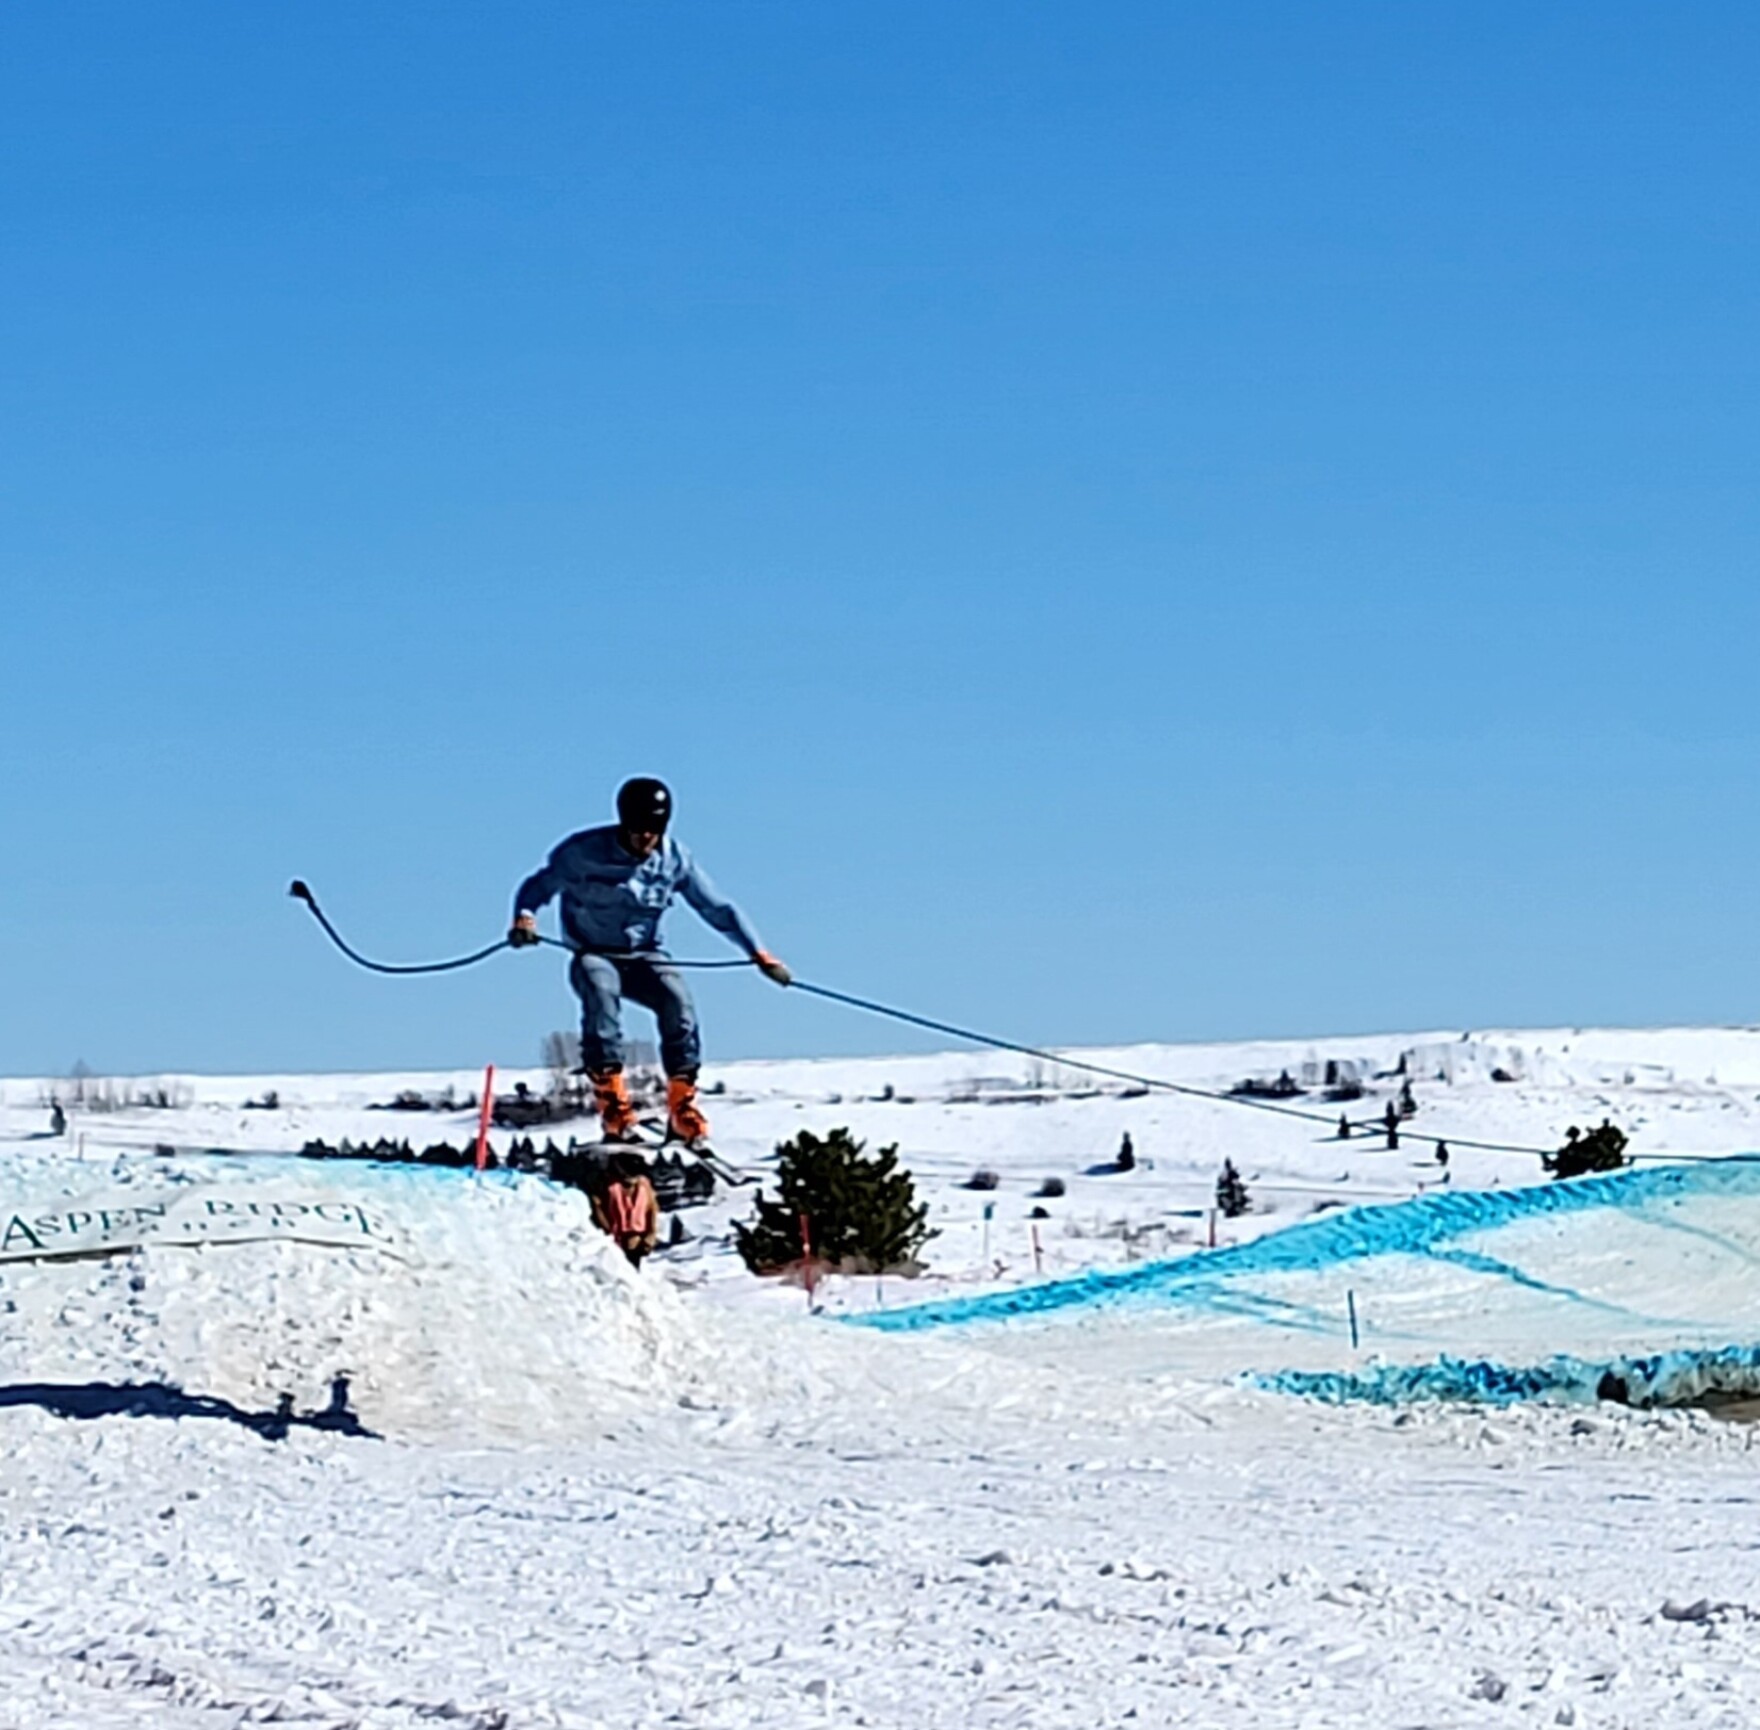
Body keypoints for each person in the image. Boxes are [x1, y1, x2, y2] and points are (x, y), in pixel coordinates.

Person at [509, 776, 790, 1147]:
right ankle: (613, 1107)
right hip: (595, 953)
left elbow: (716, 907)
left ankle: (682, 1108)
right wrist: (524, 917)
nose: (646, 839)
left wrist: (758, 953)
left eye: (654, 831)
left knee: (678, 1002)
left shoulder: (675, 859)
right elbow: (537, 887)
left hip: (645, 956)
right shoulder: (580, 853)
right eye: (638, 830)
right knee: (599, 994)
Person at [590, 1151, 661, 1268]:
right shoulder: (612, 1185)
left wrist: (651, 1232)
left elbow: (652, 1207)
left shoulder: (642, 1183)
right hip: (619, 1235)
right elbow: (597, 1205)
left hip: (628, 1233)